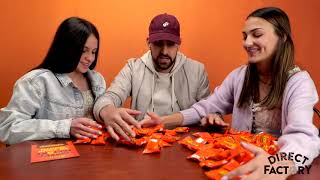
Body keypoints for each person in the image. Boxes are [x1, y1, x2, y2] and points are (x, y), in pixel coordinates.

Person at [140, 7, 320, 179]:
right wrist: (163, 121)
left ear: (282, 38)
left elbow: (303, 137)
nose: (247, 43)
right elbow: (205, 107)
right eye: (245, 36)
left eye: (256, 34)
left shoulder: (299, 82)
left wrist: (278, 165)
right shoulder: (239, 76)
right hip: (237, 164)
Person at [94, 13, 210, 141]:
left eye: (170, 44)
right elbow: (109, 97)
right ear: (149, 42)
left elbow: (209, 110)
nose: (164, 51)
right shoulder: (133, 68)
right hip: (143, 141)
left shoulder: (197, 70)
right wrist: (107, 110)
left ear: (179, 43)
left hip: (184, 142)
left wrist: (212, 116)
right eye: (158, 44)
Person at [0, 17, 106, 144]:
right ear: (66, 48)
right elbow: (8, 128)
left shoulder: (98, 80)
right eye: (83, 51)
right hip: (51, 160)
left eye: (94, 52)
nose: (90, 58)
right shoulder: (36, 82)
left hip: (94, 158)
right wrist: (65, 128)